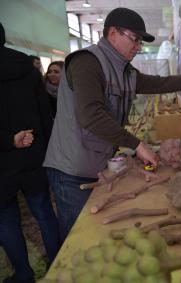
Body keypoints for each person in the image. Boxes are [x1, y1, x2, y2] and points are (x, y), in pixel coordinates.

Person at [43, 7, 181, 240]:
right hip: (71, 169)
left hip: (97, 164)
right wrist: (137, 145)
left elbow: (162, 84)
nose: (138, 46)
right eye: (134, 39)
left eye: (140, 41)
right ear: (113, 33)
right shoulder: (87, 62)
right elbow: (91, 115)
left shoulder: (126, 72)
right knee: (76, 237)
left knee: (95, 230)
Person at [0, 23, 60, 283]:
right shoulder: (28, 68)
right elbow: (45, 115)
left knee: (6, 219)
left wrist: (9, 140)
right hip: (34, 155)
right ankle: (58, 262)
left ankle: (24, 275)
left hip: (1, 161)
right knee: (44, 211)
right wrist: (46, 151)